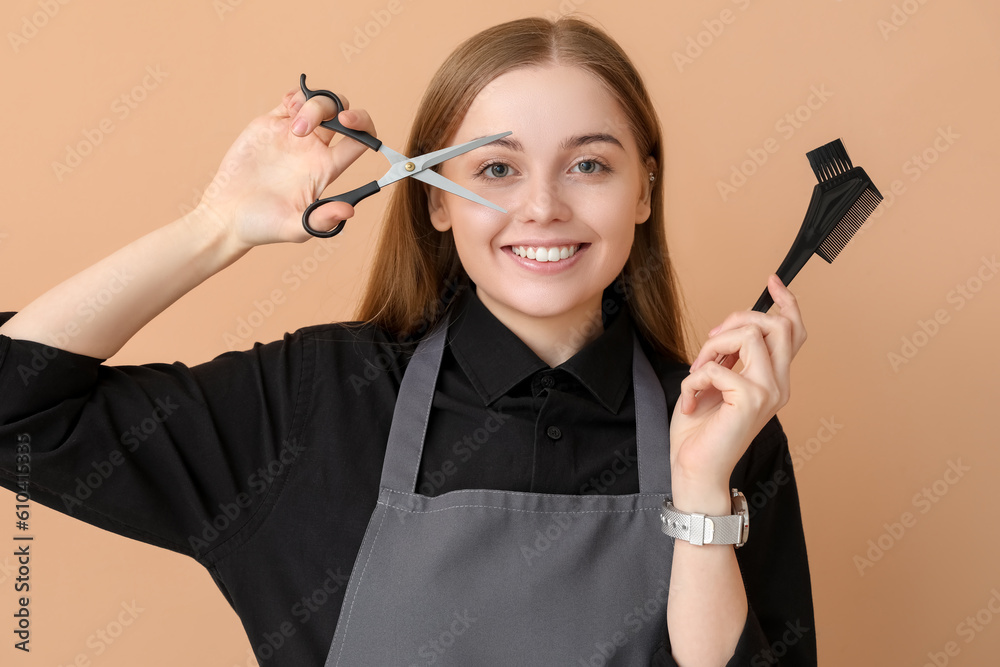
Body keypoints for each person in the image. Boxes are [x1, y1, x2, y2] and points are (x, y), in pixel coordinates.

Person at [0, 16, 814, 667]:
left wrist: (702, 493)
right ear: (433, 200)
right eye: (495, 169)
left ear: (644, 190)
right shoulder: (312, 404)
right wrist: (216, 226)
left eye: (589, 166)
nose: (542, 207)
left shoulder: (721, 429)